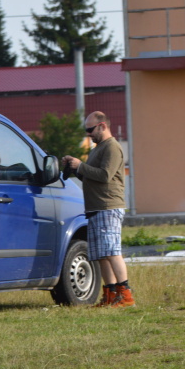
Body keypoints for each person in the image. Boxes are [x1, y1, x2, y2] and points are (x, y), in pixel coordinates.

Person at [62, 111, 135, 308]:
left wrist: (81, 165)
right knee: (101, 254)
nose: (88, 134)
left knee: (111, 251)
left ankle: (126, 295)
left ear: (102, 126)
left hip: (108, 207)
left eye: (90, 129)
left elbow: (105, 175)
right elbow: (91, 176)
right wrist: (75, 167)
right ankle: (110, 294)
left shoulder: (112, 147)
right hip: (95, 208)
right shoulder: (97, 149)